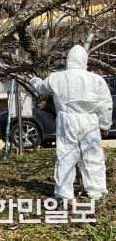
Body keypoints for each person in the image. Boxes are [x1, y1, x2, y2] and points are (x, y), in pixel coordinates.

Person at [31, 45, 112, 201]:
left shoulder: (58, 77)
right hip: (90, 120)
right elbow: (106, 105)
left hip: (67, 120)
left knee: (66, 155)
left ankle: (64, 193)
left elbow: (41, 89)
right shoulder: (97, 80)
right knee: (93, 155)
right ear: (85, 61)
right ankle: (96, 191)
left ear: (68, 60)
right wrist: (105, 125)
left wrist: (35, 80)